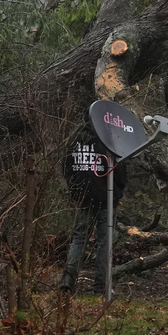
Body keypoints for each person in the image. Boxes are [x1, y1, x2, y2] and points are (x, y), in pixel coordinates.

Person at [59, 124, 126, 296]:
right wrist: (118, 190)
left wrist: (75, 192)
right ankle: (101, 287)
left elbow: (66, 168)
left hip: (83, 197)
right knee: (105, 241)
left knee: (79, 238)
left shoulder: (74, 140)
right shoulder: (109, 140)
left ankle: (68, 281)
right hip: (106, 197)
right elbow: (121, 171)